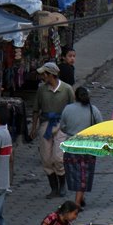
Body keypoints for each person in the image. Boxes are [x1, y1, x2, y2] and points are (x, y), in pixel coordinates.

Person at [30, 62, 75, 199]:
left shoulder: (67, 89)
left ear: (51, 75)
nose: (42, 77)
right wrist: (33, 127)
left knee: (58, 157)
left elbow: (72, 109)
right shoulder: (41, 90)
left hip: (61, 125)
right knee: (46, 159)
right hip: (45, 125)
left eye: (44, 74)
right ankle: (54, 188)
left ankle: (62, 184)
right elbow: (36, 110)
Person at [60, 86, 103, 209]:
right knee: (84, 174)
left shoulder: (67, 109)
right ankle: (78, 202)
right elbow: (100, 125)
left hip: (71, 145)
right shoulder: (92, 109)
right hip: (87, 146)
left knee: (75, 173)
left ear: (75, 96)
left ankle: (79, 199)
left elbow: (63, 126)